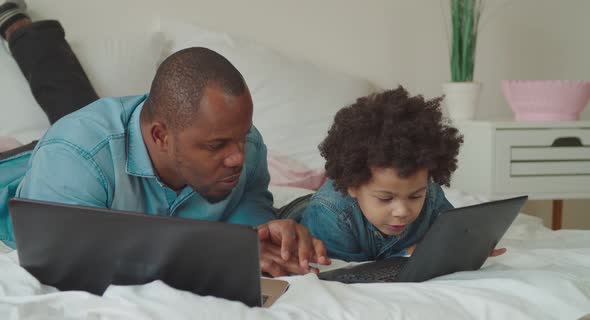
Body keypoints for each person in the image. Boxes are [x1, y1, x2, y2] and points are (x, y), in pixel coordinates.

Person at [0, 1, 330, 276]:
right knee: (83, 132)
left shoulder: (246, 145)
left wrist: (257, 234)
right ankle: (18, 28)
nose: (238, 158)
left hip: (112, 140)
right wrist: (214, 252)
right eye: (216, 146)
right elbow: (60, 254)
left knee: (79, 112)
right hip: (22, 173)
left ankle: (19, 28)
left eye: (240, 138)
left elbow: (249, 200)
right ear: (160, 136)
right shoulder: (75, 154)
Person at [300, 86, 506, 262]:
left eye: (415, 196)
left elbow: (450, 236)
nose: (402, 211)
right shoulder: (330, 214)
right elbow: (341, 274)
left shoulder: (431, 195)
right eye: (386, 198)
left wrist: (469, 246)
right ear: (352, 186)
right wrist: (407, 254)